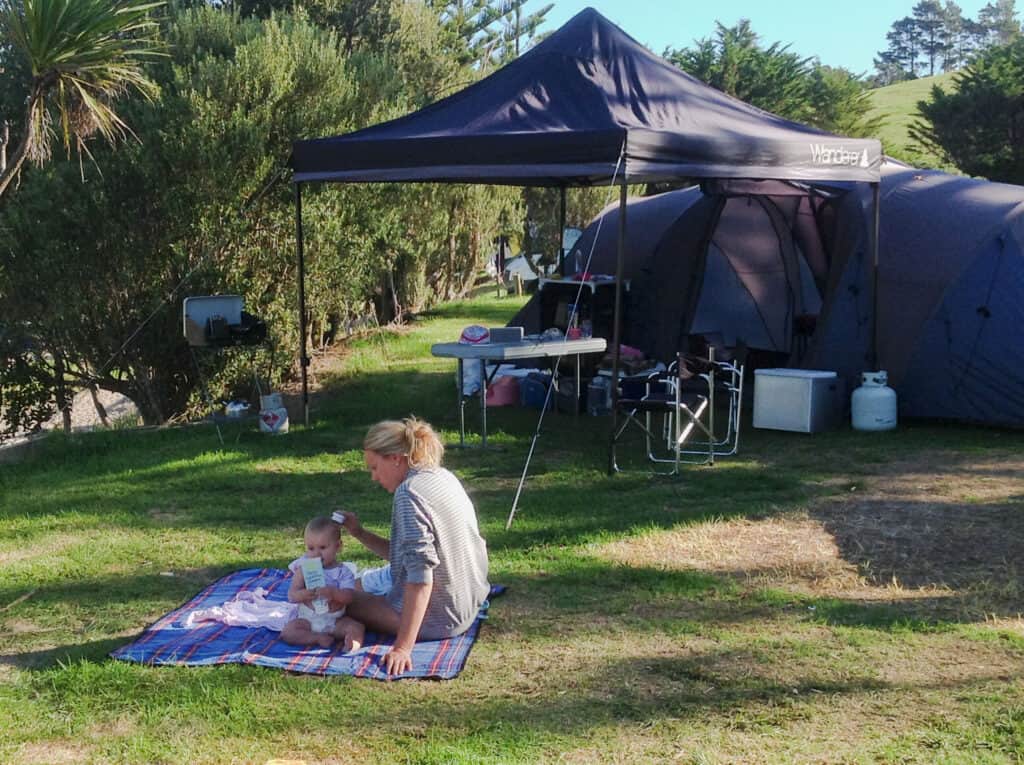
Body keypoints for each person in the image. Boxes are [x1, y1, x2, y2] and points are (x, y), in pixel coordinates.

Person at [340, 416, 490, 676]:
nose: (374, 477)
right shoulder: (442, 476)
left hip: (441, 621)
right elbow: (406, 559)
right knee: (358, 588)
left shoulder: (409, 494)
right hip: (469, 605)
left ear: (396, 458)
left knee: (336, 597)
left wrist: (402, 648)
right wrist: (359, 533)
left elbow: (420, 579)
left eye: (374, 467)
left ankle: (353, 629)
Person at [281, 516, 365, 652]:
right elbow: (292, 595)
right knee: (288, 632)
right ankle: (315, 638)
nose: (316, 553)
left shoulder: (343, 572)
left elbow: (350, 597)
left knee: (356, 627)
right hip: (308, 620)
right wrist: (303, 594)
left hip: (335, 620)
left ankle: (352, 644)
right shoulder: (303, 569)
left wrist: (333, 593)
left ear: (338, 546)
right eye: (311, 548)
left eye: (323, 547)